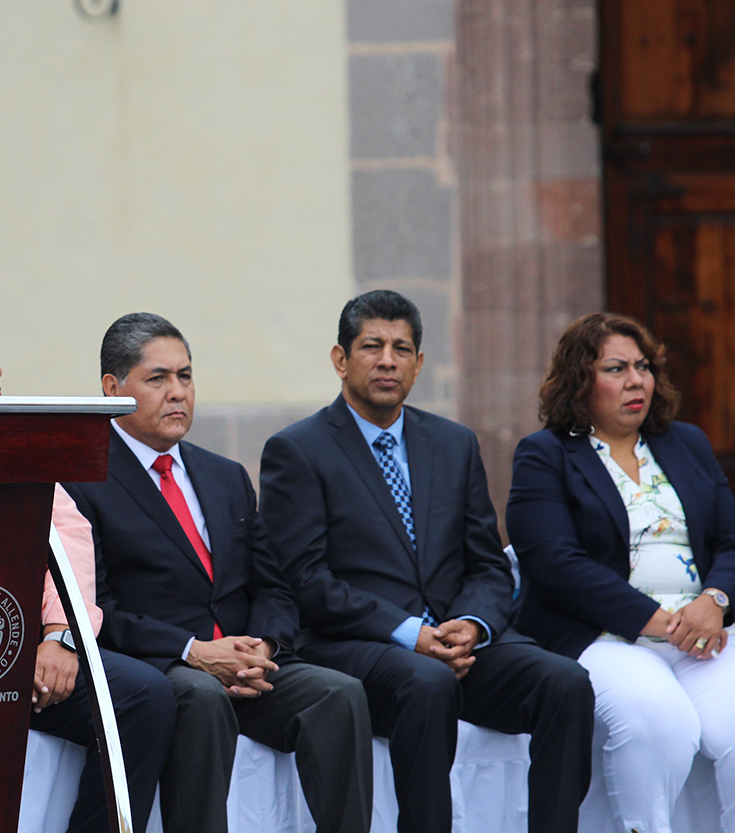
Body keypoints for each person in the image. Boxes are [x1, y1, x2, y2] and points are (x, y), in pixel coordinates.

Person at [259, 289, 594, 833]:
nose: (387, 360)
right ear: (340, 359)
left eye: (402, 348)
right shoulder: (297, 450)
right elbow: (306, 582)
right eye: (372, 346)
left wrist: (473, 624)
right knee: (427, 683)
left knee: (565, 682)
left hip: (456, 641)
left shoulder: (454, 443)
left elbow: (488, 565)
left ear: (419, 364)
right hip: (360, 645)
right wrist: (409, 632)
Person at [63, 313, 373, 833]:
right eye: (158, 379)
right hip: (166, 665)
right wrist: (194, 652)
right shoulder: (82, 478)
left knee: (339, 695)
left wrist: (266, 648)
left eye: (185, 376)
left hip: (247, 665)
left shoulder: (223, 475)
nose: (178, 392)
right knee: (201, 697)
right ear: (112, 388)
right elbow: (98, 608)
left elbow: (272, 584)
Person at [506, 312, 735, 832]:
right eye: (616, 368)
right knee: (663, 724)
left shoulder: (687, 443)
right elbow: (555, 564)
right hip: (604, 635)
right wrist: (664, 623)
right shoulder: (545, 455)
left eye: (643, 366)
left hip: (705, 633)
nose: (637, 380)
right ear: (579, 380)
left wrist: (715, 601)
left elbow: (729, 541)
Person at [0, 317, 175, 833]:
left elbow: (67, 534)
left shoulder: (14, 439)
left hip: (36, 644)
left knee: (143, 695)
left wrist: (61, 637)